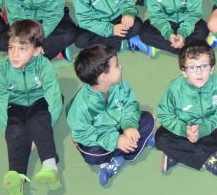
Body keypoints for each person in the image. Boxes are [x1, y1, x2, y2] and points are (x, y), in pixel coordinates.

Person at [0, 19, 64, 195]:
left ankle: (50, 168)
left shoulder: (44, 66)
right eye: (11, 48)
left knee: (39, 120)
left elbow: (54, 99)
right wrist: (7, 130)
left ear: (37, 50)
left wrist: (41, 133)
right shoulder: (1, 69)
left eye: (22, 49)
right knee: (15, 130)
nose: (14, 54)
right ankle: (16, 176)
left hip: (40, 100)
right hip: (15, 104)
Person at [67, 44, 156, 186]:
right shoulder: (81, 106)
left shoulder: (121, 87)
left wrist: (129, 126)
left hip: (120, 126)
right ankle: (132, 149)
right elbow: (83, 133)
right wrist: (115, 140)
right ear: (104, 77)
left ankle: (120, 156)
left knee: (148, 119)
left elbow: (130, 105)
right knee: (91, 155)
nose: (121, 67)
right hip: (102, 137)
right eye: (117, 65)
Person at [155, 41, 217, 179]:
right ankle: (208, 160)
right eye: (191, 67)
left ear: (212, 68)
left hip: (209, 125)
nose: (198, 72)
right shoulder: (175, 88)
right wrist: (184, 130)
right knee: (160, 139)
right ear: (184, 72)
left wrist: (203, 129)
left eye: (204, 66)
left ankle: (176, 155)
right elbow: (164, 114)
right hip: (183, 127)